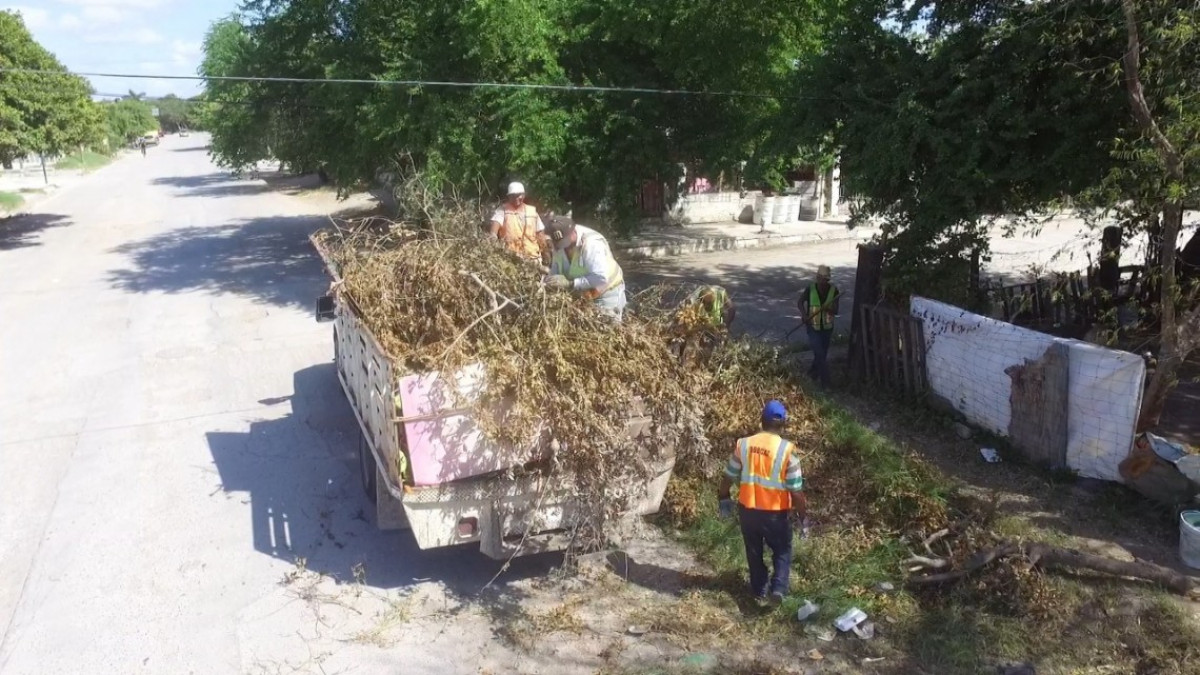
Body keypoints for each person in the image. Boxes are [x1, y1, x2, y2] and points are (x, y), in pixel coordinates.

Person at [718, 400, 806, 605]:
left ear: (761, 420)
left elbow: (728, 475)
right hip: (776, 513)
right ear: (783, 424)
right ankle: (779, 588)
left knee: (754, 550)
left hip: (748, 510)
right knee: (782, 550)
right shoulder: (787, 451)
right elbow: (796, 491)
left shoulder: (744, 444)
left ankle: (759, 590)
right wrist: (803, 517)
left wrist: (723, 496)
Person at [542, 215, 627, 321]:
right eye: (560, 244)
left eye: (565, 242)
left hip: (606, 293)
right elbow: (556, 266)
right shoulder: (559, 245)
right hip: (584, 293)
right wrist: (551, 281)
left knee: (606, 329)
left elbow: (600, 277)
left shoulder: (591, 244)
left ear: (573, 231)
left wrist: (570, 283)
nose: (564, 247)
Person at [797, 265, 840, 387]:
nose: (822, 282)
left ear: (827, 280)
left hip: (827, 329)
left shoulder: (834, 291)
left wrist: (829, 309)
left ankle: (812, 374)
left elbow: (836, 311)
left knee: (821, 355)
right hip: (813, 328)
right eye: (820, 279)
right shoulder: (810, 289)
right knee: (820, 355)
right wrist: (805, 316)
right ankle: (826, 384)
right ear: (817, 278)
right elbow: (800, 303)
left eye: (825, 279)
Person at [488, 181, 545, 262]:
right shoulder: (502, 211)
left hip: (533, 258)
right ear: (508, 196)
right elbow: (493, 231)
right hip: (511, 259)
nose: (516, 198)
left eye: (519, 195)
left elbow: (540, 233)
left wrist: (545, 252)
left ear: (524, 195)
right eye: (513, 196)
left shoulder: (532, 211)